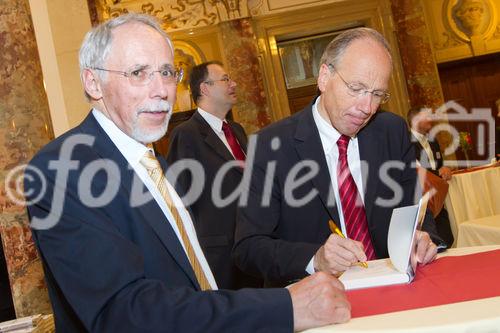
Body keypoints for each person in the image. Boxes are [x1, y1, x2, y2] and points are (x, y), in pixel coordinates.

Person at [23, 13, 351, 332]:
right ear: (93, 81)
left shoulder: (156, 164)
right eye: (138, 72)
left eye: (167, 72)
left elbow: (190, 284)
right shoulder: (61, 169)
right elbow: (122, 313)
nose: (162, 90)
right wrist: (283, 308)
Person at [233, 27, 443, 287]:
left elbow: (415, 206)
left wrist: (423, 236)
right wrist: (315, 258)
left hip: (392, 286)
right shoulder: (270, 146)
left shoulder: (392, 130)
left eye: (377, 94)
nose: (366, 107)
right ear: (324, 76)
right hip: (315, 297)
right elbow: (248, 247)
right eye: (356, 88)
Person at [166, 61, 262, 289]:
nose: (234, 84)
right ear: (205, 88)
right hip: (220, 254)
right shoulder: (186, 134)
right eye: (226, 79)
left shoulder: (236, 130)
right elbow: (179, 200)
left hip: (252, 244)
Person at [407, 107, 455, 247]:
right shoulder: (406, 142)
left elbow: (438, 165)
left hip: (438, 196)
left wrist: (444, 169)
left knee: (447, 237)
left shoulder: (433, 141)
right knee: (431, 240)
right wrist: (437, 173)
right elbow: (414, 170)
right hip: (422, 199)